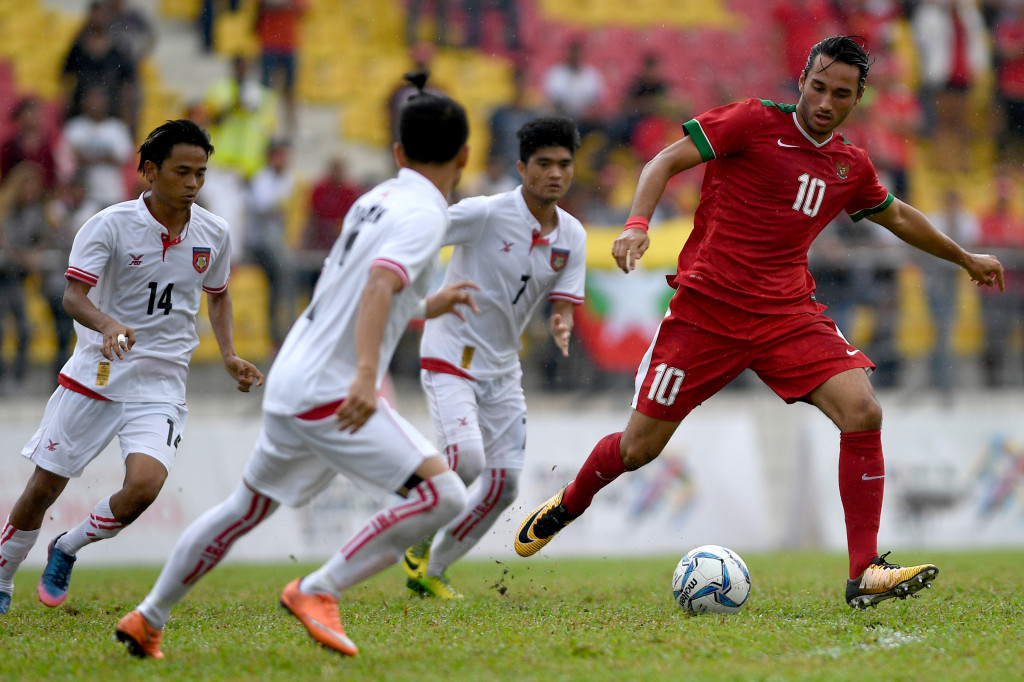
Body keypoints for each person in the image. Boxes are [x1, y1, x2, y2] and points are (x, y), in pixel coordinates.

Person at [514, 36, 1006, 610]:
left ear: (857, 100)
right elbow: (663, 161)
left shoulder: (849, 165)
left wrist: (964, 258)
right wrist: (636, 224)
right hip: (706, 313)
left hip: (786, 316)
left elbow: (895, 215)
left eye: (840, 94)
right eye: (818, 87)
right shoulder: (750, 122)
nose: (824, 102)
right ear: (802, 80)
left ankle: (864, 571)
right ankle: (570, 502)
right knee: (637, 449)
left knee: (863, 410)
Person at [115, 74, 477, 659]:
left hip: (293, 377)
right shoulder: (426, 215)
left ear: (397, 151)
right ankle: (317, 588)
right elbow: (379, 286)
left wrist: (431, 303)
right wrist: (366, 377)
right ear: (464, 155)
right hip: (331, 387)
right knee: (445, 497)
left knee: (244, 508)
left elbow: (362, 287)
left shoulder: (376, 200)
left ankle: (147, 616)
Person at [0, 120, 264, 617]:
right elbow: (73, 297)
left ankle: (68, 546)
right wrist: (107, 324)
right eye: (182, 172)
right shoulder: (109, 225)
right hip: (98, 375)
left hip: (162, 382)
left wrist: (229, 353)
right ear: (150, 171)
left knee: (144, 487)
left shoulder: (214, 232)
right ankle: (3, 576)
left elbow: (219, 294)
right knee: (44, 488)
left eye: (200, 173)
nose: (192, 183)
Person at [402, 116, 585, 599]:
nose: (555, 173)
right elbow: (417, 234)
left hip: (502, 368)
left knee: (504, 485)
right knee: (466, 461)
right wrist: (419, 297)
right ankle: (415, 534)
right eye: (543, 163)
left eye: (564, 164)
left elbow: (564, 300)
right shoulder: (485, 213)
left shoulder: (573, 236)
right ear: (521, 168)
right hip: (451, 353)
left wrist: (561, 321)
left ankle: (432, 571)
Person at [246, 138, 296, 349]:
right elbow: (264, 208)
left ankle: (284, 329)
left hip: (278, 242)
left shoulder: (288, 179)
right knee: (283, 274)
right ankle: (277, 332)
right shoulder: (261, 179)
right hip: (259, 243)